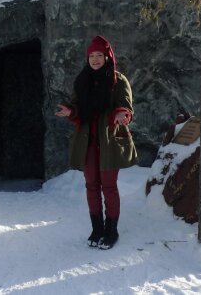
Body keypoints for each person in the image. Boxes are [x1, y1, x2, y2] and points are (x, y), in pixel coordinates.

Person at [56, 35, 137, 250]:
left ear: (107, 57)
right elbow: (77, 107)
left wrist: (122, 115)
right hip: (88, 141)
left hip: (109, 140)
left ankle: (112, 230)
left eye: (99, 55)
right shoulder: (83, 80)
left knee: (109, 186)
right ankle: (97, 228)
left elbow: (125, 106)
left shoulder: (118, 80)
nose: (95, 59)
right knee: (91, 186)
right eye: (91, 56)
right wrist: (70, 111)